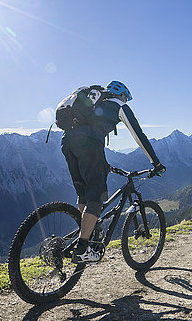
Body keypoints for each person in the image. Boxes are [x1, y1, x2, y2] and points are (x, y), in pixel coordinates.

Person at [60, 81, 166, 263]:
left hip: (67, 142)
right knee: (97, 195)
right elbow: (139, 135)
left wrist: (104, 163)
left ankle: (88, 232)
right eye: (126, 98)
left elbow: (88, 130)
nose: (126, 101)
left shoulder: (93, 102)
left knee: (83, 193)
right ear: (122, 95)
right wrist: (156, 163)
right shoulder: (118, 105)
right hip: (89, 144)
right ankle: (83, 247)